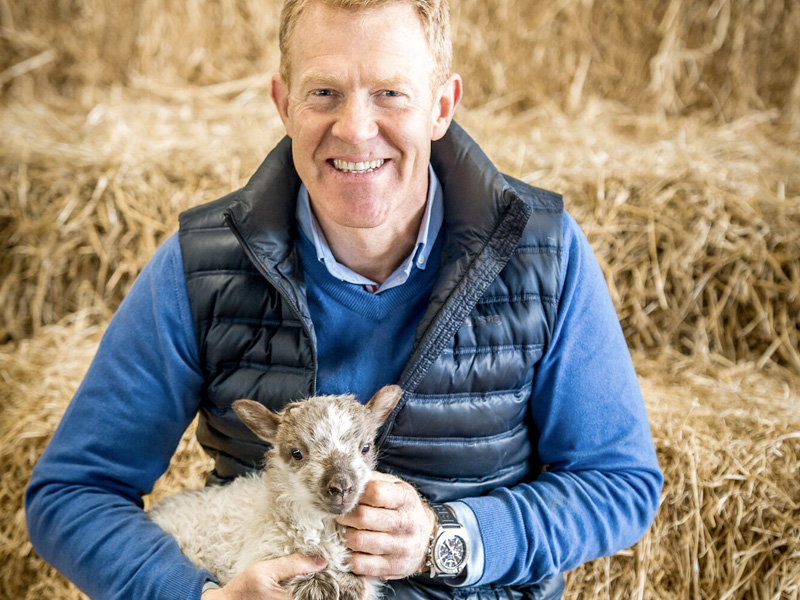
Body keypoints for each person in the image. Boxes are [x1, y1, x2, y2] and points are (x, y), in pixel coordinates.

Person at [26, 1, 663, 599]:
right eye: (324, 92)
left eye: (391, 93)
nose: (356, 129)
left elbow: (620, 484)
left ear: (441, 106)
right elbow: (73, 493)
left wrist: (448, 539)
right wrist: (200, 595)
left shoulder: (542, 252)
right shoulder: (201, 265)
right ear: (283, 104)